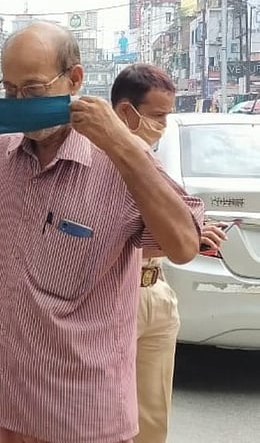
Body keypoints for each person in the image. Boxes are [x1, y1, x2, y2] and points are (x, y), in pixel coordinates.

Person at [0, 22, 204, 443]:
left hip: (80, 414)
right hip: (4, 401)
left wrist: (123, 145)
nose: (19, 103)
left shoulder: (119, 163)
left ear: (73, 80)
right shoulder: (1, 157)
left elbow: (183, 245)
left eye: (33, 91)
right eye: (10, 91)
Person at [110, 63, 228, 443]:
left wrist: (189, 233)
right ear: (126, 112)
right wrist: (183, 238)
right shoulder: (96, 165)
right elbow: (105, 236)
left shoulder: (150, 162)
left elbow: (177, 221)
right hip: (114, 297)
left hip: (157, 293)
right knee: (106, 415)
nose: (162, 124)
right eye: (157, 115)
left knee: (152, 418)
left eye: (166, 116)